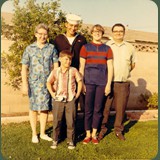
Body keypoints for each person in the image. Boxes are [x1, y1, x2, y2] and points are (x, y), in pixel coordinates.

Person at [98, 23, 137, 141]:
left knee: (120, 109)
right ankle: (102, 130)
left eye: (121, 31)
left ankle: (118, 131)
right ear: (112, 33)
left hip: (123, 83)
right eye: (116, 31)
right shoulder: (106, 46)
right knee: (105, 108)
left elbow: (133, 64)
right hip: (107, 83)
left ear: (124, 33)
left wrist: (124, 71)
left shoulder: (130, 47)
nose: (118, 33)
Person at [21, 23, 58, 143]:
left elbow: (56, 66)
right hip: (33, 83)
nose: (43, 36)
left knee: (45, 108)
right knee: (33, 109)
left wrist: (55, 82)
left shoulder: (51, 48)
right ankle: (34, 134)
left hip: (47, 83)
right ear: (36, 34)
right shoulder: (29, 49)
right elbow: (24, 68)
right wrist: (24, 84)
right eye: (40, 34)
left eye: (45, 34)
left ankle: (42, 133)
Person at [79, 24, 113, 144]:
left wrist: (108, 84)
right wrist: (81, 83)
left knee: (98, 109)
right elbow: (81, 67)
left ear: (102, 34)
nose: (97, 33)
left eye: (99, 32)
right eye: (95, 31)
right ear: (91, 33)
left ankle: (94, 134)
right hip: (88, 82)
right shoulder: (85, 47)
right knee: (88, 109)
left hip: (101, 83)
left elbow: (110, 67)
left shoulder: (107, 49)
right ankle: (87, 134)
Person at [46, 50, 82, 149]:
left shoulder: (73, 70)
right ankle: (55, 139)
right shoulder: (55, 71)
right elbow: (48, 82)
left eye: (70, 59)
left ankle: (71, 141)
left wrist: (77, 94)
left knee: (71, 121)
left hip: (70, 99)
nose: (68, 62)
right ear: (60, 59)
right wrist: (52, 94)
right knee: (57, 121)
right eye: (66, 59)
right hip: (58, 99)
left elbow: (80, 82)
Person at [53, 13, 87, 112]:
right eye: (71, 25)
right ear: (66, 25)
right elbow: (55, 57)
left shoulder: (82, 39)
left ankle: (72, 125)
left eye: (75, 26)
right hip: (61, 74)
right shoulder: (58, 39)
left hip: (75, 73)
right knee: (61, 99)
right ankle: (61, 126)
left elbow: (83, 58)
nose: (73, 28)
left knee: (73, 101)